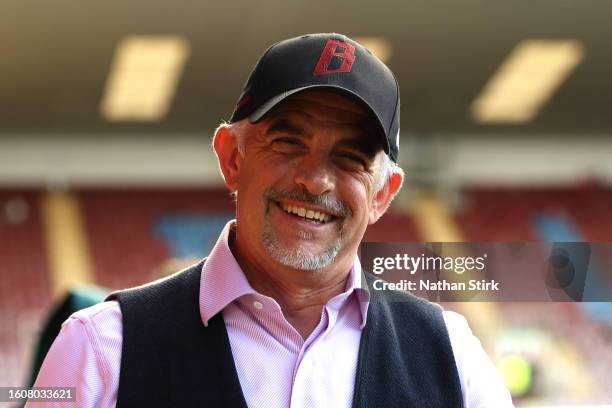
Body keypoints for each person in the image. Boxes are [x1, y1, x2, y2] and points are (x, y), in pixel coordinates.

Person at [30, 33, 513, 407]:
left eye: (349, 158)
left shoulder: (453, 358)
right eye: (288, 143)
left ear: (383, 194)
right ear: (231, 157)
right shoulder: (99, 348)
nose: (315, 180)